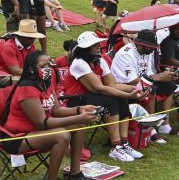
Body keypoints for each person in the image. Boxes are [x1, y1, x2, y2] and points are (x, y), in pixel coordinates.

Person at [0, 51, 102, 180]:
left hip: (36, 132)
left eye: (49, 65)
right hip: (15, 138)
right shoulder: (27, 89)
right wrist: (77, 116)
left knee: (80, 125)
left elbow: (57, 110)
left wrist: (80, 110)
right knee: (62, 136)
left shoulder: (46, 83)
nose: (48, 68)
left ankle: (74, 174)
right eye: (43, 66)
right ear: (32, 69)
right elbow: (43, 123)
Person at [58, 31, 138, 161]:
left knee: (121, 98)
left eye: (97, 44)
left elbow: (112, 84)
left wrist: (136, 89)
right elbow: (99, 88)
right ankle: (115, 147)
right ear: (85, 48)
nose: (99, 46)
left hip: (90, 95)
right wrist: (131, 94)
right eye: (94, 45)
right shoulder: (79, 63)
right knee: (110, 100)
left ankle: (124, 143)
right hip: (74, 100)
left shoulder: (99, 60)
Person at [111, 29, 179, 137]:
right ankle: (150, 128)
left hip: (141, 82)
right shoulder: (126, 54)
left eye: (154, 47)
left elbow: (148, 73)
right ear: (140, 44)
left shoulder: (146, 52)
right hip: (124, 85)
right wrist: (160, 77)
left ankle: (164, 125)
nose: (152, 49)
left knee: (169, 86)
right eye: (150, 47)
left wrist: (166, 77)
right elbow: (133, 80)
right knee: (151, 88)